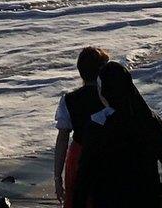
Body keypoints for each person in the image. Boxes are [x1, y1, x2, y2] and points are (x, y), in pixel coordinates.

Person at [71, 61, 162, 208]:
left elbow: (85, 173)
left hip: (109, 199)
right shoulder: (149, 119)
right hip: (147, 196)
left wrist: (79, 202)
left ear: (105, 92)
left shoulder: (97, 126)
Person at [52, 46, 109, 207]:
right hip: (107, 154)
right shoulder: (111, 97)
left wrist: (57, 177)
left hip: (78, 155)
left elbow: (62, 139)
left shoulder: (69, 100)